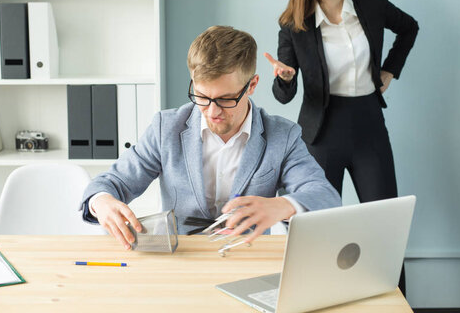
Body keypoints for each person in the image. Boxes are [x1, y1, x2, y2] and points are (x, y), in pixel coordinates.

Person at [80, 25, 341, 250]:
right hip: (182, 259)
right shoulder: (166, 128)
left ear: (251, 85)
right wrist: (101, 201)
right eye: (202, 97)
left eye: (226, 99)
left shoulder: (282, 136)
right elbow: (113, 181)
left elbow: (325, 196)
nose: (212, 111)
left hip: (247, 257)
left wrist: (284, 205)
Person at [264, 0, 418, 294]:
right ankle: (318, 300)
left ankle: (395, 304)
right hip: (320, 136)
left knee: (384, 227)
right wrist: (285, 78)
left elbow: (409, 27)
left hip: (368, 126)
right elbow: (282, 96)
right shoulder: (294, 24)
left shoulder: (372, 3)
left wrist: (390, 69)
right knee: (317, 233)